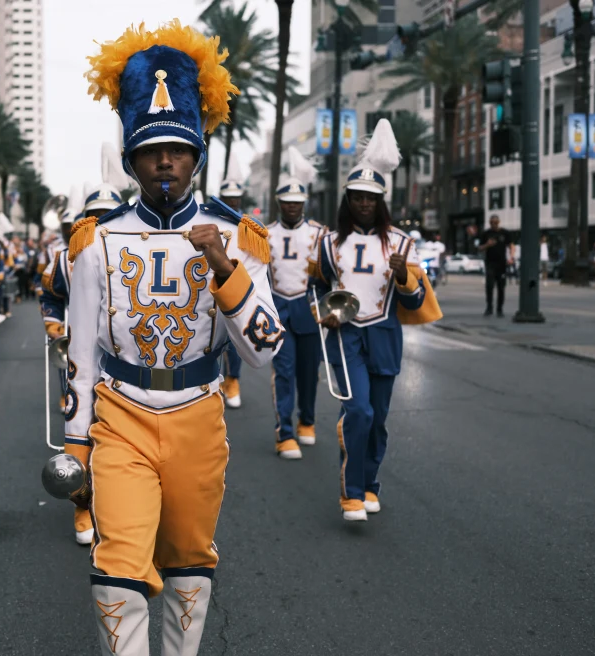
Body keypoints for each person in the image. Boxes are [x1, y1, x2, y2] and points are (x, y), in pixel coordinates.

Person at [69, 21, 283, 654]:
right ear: (134, 159)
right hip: (121, 413)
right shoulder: (96, 240)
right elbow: (81, 355)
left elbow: (265, 348)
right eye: (152, 150)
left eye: (179, 149)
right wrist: (77, 446)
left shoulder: (240, 237)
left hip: (198, 415)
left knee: (190, 558)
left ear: (197, 155)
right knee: (118, 566)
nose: (166, 161)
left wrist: (224, 267)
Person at [314, 118, 442, 522]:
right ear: (348, 199)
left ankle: (370, 483)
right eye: (357, 197)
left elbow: (418, 297)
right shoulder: (329, 243)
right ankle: (351, 493)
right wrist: (326, 313)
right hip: (346, 335)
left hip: (385, 334)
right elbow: (315, 288)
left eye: (370, 198)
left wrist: (404, 273)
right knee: (359, 412)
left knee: (380, 419)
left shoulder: (404, 242)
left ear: (381, 200)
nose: (364, 204)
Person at [41, 180, 121, 547]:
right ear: (84, 219)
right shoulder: (64, 257)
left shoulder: (135, 250)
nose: (102, 222)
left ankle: (117, 504)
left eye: (110, 216)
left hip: (126, 357)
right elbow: (50, 294)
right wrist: (54, 324)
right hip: (82, 354)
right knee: (81, 427)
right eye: (95, 216)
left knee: (119, 431)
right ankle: (82, 503)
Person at [268, 173, 325, 460]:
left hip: (308, 309)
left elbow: (329, 275)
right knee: (284, 373)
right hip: (279, 309)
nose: (292, 207)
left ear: (304, 203)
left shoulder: (318, 233)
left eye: (297, 202)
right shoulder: (265, 233)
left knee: (309, 374)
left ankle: (307, 421)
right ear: (279, 202)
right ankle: (285, 432)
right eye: (287, 202)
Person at [218, 178, 246, 408]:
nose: (233, 201)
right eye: (228, 197)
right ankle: (216, 380)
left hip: (238, 286)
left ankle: (233, 380)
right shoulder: (210, 222)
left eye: (236, 197)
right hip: (212, 287)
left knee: (235, 341)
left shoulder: (248, 224)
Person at [478, 214, 510, 317]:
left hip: (502, 264)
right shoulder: (486, 234)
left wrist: (511, 257)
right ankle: (489, 307)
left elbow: (511, 245)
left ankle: (500, 309)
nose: (494, 224)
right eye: (491, 223)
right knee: (489, 286)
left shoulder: (504, 233)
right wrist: (488, 244)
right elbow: (480, 248)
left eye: (495, 222)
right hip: (490, 263)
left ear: (499, 222)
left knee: (501, 287)